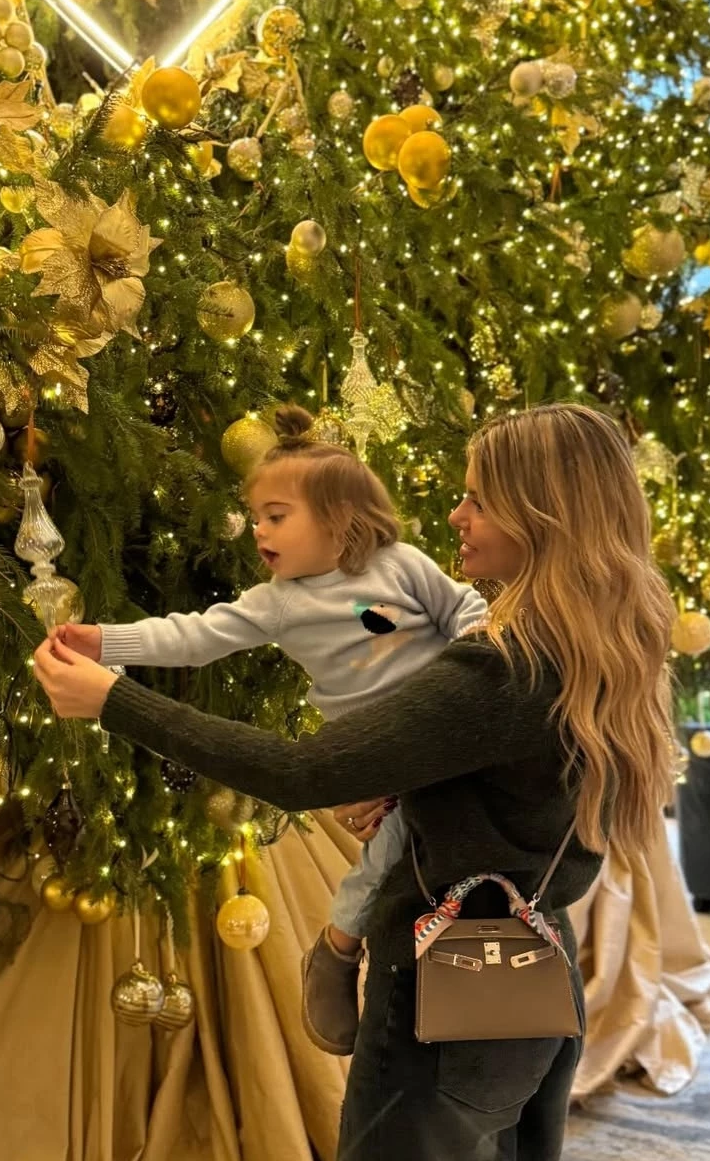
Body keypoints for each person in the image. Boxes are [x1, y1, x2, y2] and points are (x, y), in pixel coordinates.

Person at [33, 404, 676, 1161]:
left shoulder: (501, 666)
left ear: (538, 513)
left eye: (479, 493)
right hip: (526, 985)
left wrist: (113, 701)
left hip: (446, 1009)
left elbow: (302, 767)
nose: (458, 512)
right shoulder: (595, 645)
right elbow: (504, 798)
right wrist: (427, 791)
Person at [49, 404, 485, 1055]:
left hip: (442, 729)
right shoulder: (276, 603)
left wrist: (478, 641)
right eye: (256, 516)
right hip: (373, 754)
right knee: (393, 843)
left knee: (443, 830)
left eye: (276, 516)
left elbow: (465, 606)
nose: (259, 530)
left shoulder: (401, 564)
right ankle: (339, 949)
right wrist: (104, 641)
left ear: (338, 518)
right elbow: (191, 636)